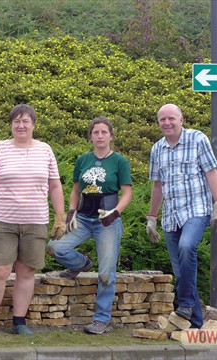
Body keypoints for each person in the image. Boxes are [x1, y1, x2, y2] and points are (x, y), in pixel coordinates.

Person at [0, 104, 66, 337]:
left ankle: (19, 322)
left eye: (26, 121)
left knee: (26, 272)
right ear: (11, 124)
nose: (21, 125)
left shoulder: (45, 150)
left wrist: (60, 217)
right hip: (2, 220)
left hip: (36, 221)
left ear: (33, 125)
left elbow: (55, 185)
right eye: (16, 121)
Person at [46, 116, 132, 335]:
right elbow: (76, 189)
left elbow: (127, 192)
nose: (100, 136)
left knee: (106, 273)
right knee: (55, 247)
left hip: (107, 221)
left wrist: (116, 213)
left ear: (111, 136)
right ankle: (80, 264)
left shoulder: (119, 161)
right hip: (83, 219)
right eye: (96, 132)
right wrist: (70, 212)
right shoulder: (83, 160)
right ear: (90, 136)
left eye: (104, 132)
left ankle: (102, 320)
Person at [145, 103, 217, 329]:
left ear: (181, 120)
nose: (167, 123)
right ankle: (195, 326)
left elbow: (212, 172)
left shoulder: (197, 139)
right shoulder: (157, 149)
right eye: (162, 119)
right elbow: (157, 185)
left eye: (171, 118)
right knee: (180, 272)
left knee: (186, 246)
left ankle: (184, 304)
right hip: (171, 217)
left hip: (196, 210)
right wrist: (152, 217)